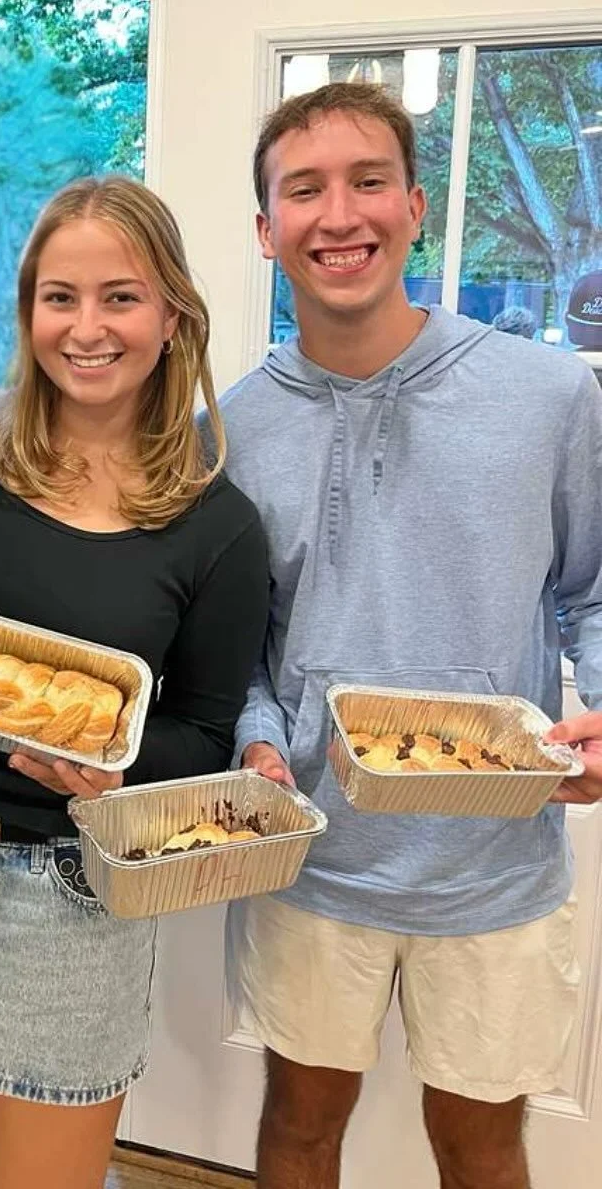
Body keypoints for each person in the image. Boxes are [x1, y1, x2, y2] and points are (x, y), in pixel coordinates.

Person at [0, 176, 269, 1189]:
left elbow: (204, 734)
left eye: (121, 297)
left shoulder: (219, 528)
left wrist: (117, 772)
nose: (87, 328)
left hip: (69, 903)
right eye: (59, 297)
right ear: (27, 309)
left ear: (173, 316)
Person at [216, 81, 602, 1189]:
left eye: (369, 181)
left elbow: (593, 589)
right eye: (305, 191)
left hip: (493, 860)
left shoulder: (547, 398)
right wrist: (257, 738)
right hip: (312, 858)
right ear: (267, 230)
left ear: (416, 208)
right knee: (299, 1128)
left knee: (481, 1146)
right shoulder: (230, 431)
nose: (340, 216)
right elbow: (239, 647)